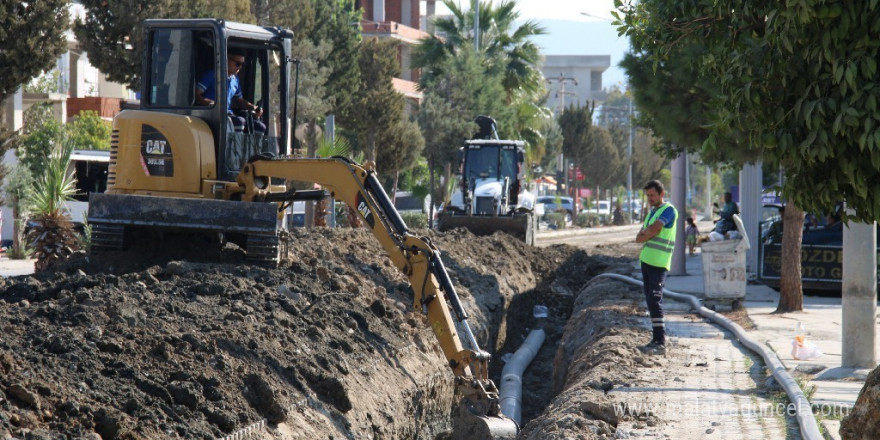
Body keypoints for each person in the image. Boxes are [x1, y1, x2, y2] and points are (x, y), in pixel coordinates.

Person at [635, 180, 678, 355]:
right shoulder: (652, 213)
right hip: (646, 261)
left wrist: (648, 233)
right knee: (650, 302)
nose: (650, 199)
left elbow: (653, 230)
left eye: (652, 195)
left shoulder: (669, 210)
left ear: (662, 194)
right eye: (648, 196)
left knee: (655, 300)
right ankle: (655, 339)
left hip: (659, 263)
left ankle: (660, 342)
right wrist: (648, 232)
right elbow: (640, 236)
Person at [195, 49, 266, 135]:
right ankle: (234, 148)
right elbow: (197, 95)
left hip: (228, 115)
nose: (239, 67)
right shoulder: (211, 75)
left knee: (260, 127)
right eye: (237, 64)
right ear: (226, 59)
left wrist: (253, 108)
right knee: (239, 122)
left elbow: (239, 100)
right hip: (212, 116)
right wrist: (213, 104)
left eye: (242, 65)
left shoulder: (235, 79)